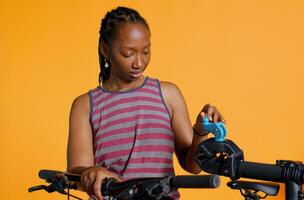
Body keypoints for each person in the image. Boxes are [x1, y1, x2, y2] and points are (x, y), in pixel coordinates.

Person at [67, 6, 225, 200]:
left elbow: (192, 166)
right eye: (128, 54)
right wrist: (92, 172)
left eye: (146, 52)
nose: (139, 63)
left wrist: (200, 131)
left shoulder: (168, 95)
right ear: (105, 50)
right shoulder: (85, 105)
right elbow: (75, 174)